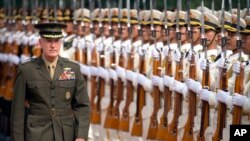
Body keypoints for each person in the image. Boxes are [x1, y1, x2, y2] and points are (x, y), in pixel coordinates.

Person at [10, 23, 90, 141]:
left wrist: (81, 135)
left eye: (57, 41)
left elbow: (82, 105)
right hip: (37, 134)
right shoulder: (27, 70)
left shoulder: (73, 69)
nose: (53, 45)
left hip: (66, 134)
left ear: (61, 43)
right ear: (40, 42)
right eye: (48, 41)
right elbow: (17, 112)